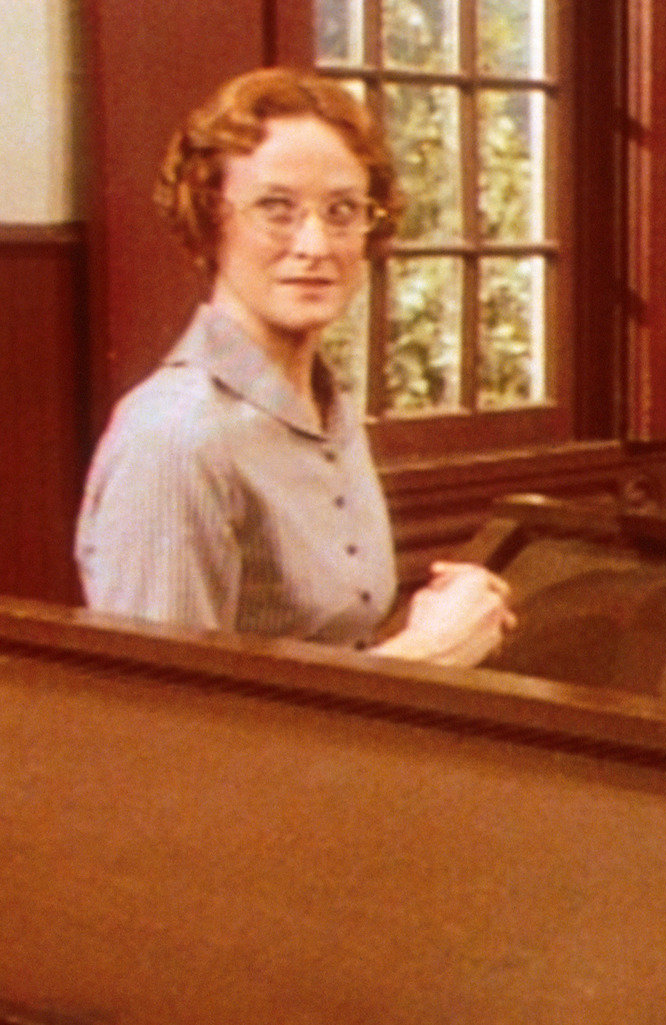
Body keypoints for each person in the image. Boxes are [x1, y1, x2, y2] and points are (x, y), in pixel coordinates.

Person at [76, 67, 515, 666]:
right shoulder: (174, 438)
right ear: (210, 219)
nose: (315, 246)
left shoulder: (327, 409)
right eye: (276, 208)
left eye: (342, 211)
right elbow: (159, 712)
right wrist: (429, 654)